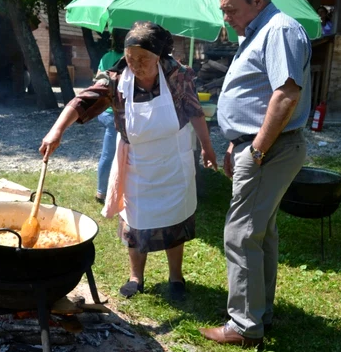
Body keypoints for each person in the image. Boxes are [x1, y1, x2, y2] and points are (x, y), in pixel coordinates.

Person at [40, 21, 218, 301]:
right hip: (138, 161)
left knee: (176, 216)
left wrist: (206, 147)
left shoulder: (177, 74)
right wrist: (56, 130)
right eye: (131, 58)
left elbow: (194, 110)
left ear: (158, 56)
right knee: (135, 220)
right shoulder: (116, 79)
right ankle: (136, 277)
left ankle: (176, 277)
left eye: (144, 59)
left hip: (174, 155)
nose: (136, 64)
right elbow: (83, 101)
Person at [199, 0, 311, 347]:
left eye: (230, 9)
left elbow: (286, 95)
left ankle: (245, 326)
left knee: (241, 232)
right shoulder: (258, 31)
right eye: (223, 10)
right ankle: (260, 312)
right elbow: (256, 96)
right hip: (256, 145)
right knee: (261, 231)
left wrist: (257, 149)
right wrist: (236, 143)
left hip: (270, 149)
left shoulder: (279, 29)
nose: (225, 17)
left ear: (257, 1)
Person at [95, 29, 127, 204]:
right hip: (116, 112)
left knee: (109, 153)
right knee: (115, 153)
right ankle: (103, 191)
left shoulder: (106, 57)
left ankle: (104, 190)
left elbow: (98, 80)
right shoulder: (132, 57)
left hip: (105, 111)